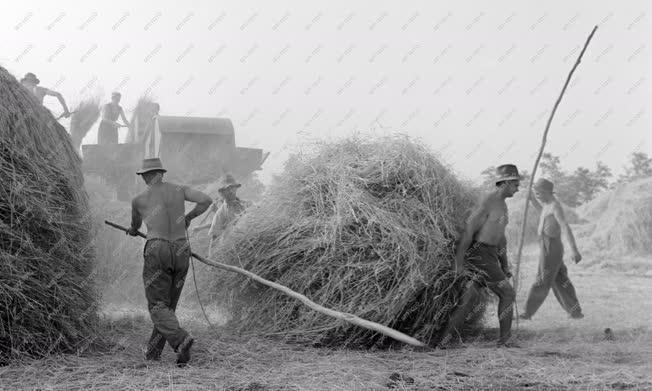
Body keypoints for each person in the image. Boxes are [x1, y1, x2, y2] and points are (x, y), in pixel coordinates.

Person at [126, 157, 212, 366]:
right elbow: (206, 200)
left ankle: (181, 340)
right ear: (161, 173)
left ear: (146, 176)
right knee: (167, 307)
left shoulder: (138, 200)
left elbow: (135, 225)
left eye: (145, 174)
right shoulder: (180, 190)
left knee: (158, 306)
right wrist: (189, 217)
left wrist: (132, 229)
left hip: (157, 248)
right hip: (181, 248)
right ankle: (153, 353)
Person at [436, 164, 521, 348]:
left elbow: (501, 238)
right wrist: (458, 261)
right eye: (515, 183)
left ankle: (444, 341)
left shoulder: (503, 205)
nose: (518, 188)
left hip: (490, 255)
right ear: (505, 182)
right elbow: (468, 231)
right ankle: (505, 341)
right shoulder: (488, 202)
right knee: (507, 293)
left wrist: (504, 264)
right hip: (480, 254)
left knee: (470, 296)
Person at [520, 178, 583, 320]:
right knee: (560, 280)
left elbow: (566, 227)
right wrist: (532, 200)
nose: (537, 195)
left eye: (538, 193)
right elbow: (543, 212)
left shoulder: (555, 206)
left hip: (552, 247)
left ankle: (527, 312)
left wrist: (574, 250)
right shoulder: (547, 205)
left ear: (547, 192)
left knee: (542, 279)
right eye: (535, 193)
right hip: (545, 245)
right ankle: (575, 312)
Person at [193, 174, 249, 257]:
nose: (231, 191)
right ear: (222, 192)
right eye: (227, 189)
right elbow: (214, 237)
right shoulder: (220, 213)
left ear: (236, 188)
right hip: (235, 248)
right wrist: (211, 258)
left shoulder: (247, 203)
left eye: (232, 187)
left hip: (250, 240)